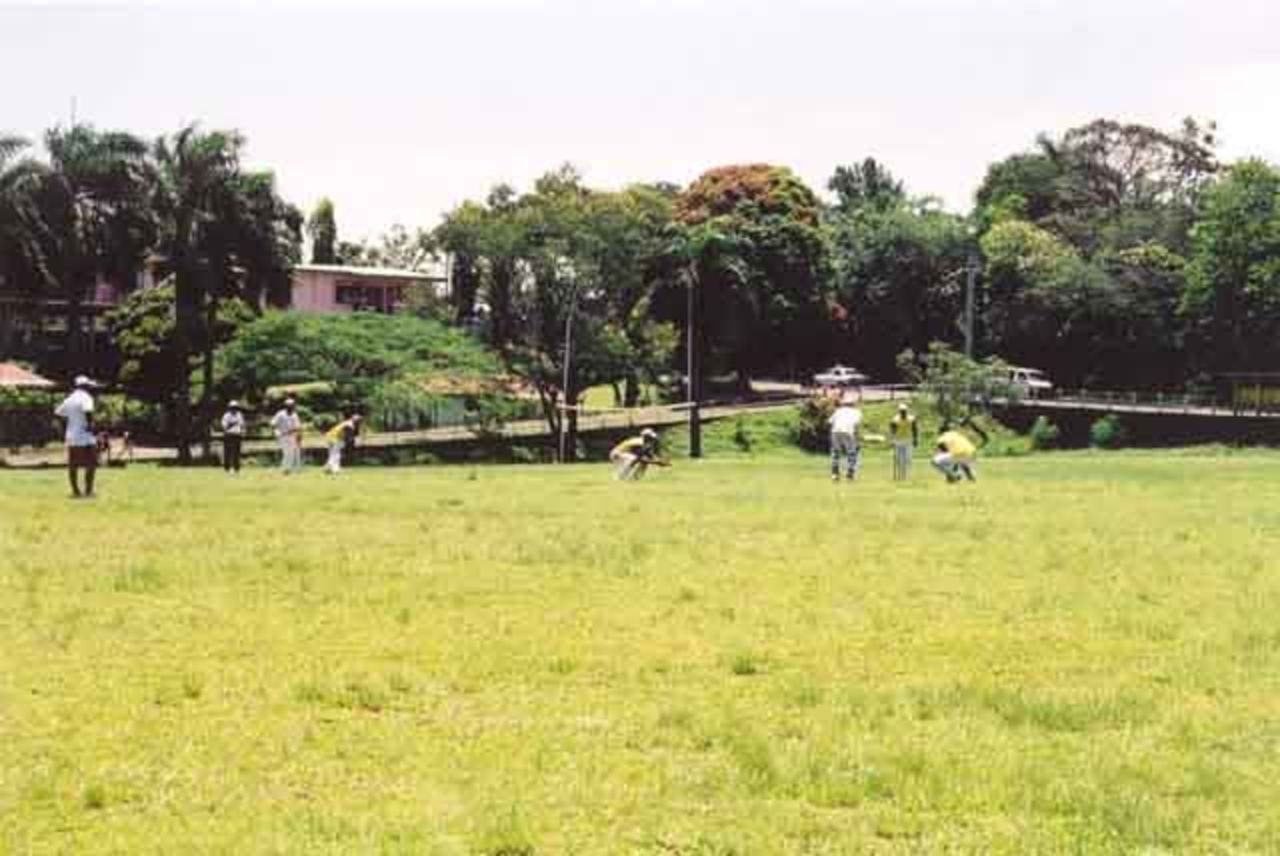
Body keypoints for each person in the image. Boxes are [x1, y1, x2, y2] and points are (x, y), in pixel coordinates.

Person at [54, 375, 98, 498]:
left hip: (72, 435)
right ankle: (88, 491)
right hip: (86, 434)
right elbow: (88, 411)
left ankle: (76, 491)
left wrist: (64, 428)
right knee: (92, 462)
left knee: (73, 464)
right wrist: (91, 426)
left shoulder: (69, 399)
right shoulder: (87, 397)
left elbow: (58, 413)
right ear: (84, 386)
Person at [828, 393, 863, 481]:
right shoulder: (857, 412)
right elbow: (856, 427)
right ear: (853, 404)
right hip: (848, 431)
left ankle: (835, 474)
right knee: (852, 453)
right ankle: (850, 474)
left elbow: (830, 422)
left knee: (836, 453)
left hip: (835, 431)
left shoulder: (838, 410)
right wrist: (857, 440)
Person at [270, 398, 303, 474]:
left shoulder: (294, 415)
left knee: (291, 453)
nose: (291, 407)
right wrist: (276, 432)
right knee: (286, 452)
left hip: (292, 436)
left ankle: (288, 469)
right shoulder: (280, 414)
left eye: (292, 406)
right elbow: (273, 423)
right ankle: (285, 469)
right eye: (290, 406)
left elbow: (298, 427)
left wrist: (299, 435)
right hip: (283, 436)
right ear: (286, 406)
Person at [888, 402, 920, 481]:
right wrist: (892, 439)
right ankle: (901, 475)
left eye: (904, 411)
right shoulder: (895, 419)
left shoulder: (911, 419)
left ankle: (906, 475)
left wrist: (916, 439)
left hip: (908, 440)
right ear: (899, 411)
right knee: (899, 459)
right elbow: (892, 430)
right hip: (898, 440)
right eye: (901, 411)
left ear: (907, 411)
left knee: (908, 458)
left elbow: (915, 429)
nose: (903, 413)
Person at [220, 401, 246, 474]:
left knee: (237, 453)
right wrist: (233, 423)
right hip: (228, 435)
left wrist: (242, 432)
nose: (234, 409)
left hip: (237, 435)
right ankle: (227, 468)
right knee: (227, 452)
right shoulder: (226, 416)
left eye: (235, 408)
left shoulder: (239, 415)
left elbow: (242, 425)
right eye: (232, 408)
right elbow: (224, 426)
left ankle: (236, 468)